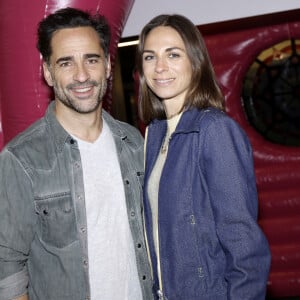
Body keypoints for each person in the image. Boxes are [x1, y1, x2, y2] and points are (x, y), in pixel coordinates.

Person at [0, 7, 153, 300]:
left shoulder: (133, 142)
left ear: (108, 65)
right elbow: (7, 270)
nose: (81, 75)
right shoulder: (21, 160)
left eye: (91, 60)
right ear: (47, 71)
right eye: (66, 63)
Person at [136, 14, 271, 299]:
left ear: (195, 62)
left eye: (173, 54)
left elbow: (243, 242)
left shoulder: (214, 130)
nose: (160, 67)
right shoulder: (155, 133)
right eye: (150, 57)